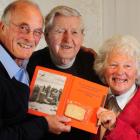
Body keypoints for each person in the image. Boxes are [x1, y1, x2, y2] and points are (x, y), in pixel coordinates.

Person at [27, 5, 102, 140]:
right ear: (47, 36)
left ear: (82, 37)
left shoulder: (94, 62)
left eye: (74, 32)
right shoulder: (29, 64)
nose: (67, 39)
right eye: (60, 31)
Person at [0, 1, 71, 140]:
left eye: (37, 32)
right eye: (23, 28)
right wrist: (43, 125)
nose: (30, 38)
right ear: (3, 27)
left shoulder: (27, 63)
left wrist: (84, 53)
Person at [93, 35, 140, 140]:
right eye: (113, 65)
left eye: (127, 66)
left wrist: (114, 127)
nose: (119, 72)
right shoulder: (97, 97)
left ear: (137, 72)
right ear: (103, 69)